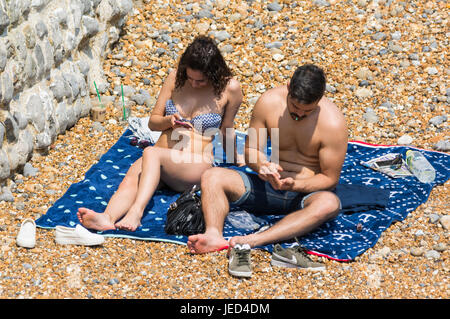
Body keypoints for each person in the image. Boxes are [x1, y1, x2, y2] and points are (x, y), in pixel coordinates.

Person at [77, 36, 243, 232]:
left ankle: (136, 213)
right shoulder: (175, 78)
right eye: (190, 78)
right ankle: (107, 217)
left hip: (194, 165)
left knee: (150, 154)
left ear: (213, 73)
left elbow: (227, 129)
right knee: (132, 179)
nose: (194, 84)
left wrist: (238, 159)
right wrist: (168, 121)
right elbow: (153, 122)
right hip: (160, 161)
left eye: (200, 81)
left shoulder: (229, 88)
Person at [187, 64, 348, 254]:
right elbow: (251, 150)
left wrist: (295, 185)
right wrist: (261, 165)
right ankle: (214, 234)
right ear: (288, 87)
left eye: (308, 111)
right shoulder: (269, 103)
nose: (299, 115)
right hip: (269, 184)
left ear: (320, 99)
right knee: (212, 176)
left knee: (329, 204)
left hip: (304, 192)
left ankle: (253, 240)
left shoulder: (333, 123)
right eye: (295, 107)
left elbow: (329, 179)